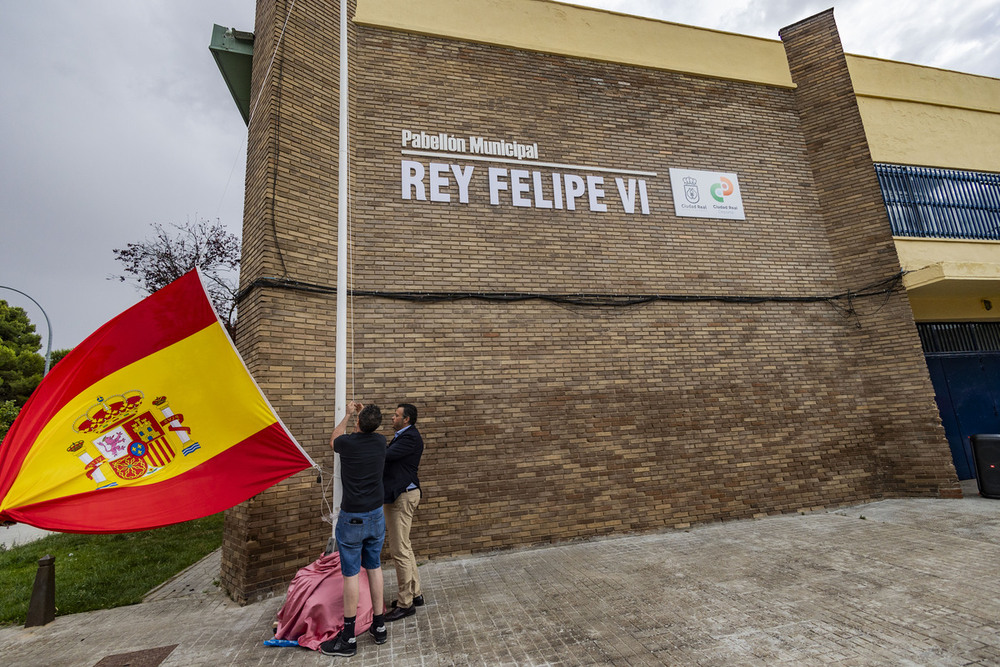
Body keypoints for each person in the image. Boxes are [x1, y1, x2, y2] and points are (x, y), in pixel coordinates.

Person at [320, 402, 388, 658]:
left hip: (352, 519)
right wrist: (361, 416)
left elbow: (333, 440)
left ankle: (348, 638)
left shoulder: (347, 444)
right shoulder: (381, 442)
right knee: (375, 566)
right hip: (375, 516)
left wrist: (347, 412)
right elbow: (368, 427)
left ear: (358, 423)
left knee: (350, 574)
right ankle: (379, 626)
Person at [383, 402, 425, 622]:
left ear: (406, 419)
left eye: (396, 415)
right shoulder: (404, 436)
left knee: (399, 549)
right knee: (405, 546)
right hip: (400, 495)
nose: (392, 417)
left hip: (402, 496)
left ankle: (405, 603)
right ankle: (415, 593)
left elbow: (386, 455)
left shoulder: (409, 438)